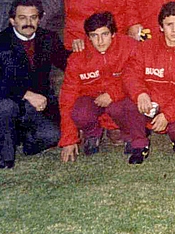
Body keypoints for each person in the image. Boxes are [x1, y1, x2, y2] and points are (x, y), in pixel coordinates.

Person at [0, 0, 69, 168]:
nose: (28, 22)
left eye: (33, 17)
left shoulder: (48, 39)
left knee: (54, 136)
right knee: (5, 108)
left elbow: (67, 63)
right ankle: (6, 153)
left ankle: (22, 138)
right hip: (7, 102)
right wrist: (26, 94)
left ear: (39, 19)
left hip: (38, 106)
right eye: (22, 18)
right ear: (12, 20)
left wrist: (87, 52)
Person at [112, 1, 175, 163]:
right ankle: (139, 143)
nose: (174, 30)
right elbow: (130, 74)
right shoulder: (145, 48)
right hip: (149, 102)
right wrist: (140, 94)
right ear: (161, 27)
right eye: (169, 24)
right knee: (117, 108)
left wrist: (167, 115)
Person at [58, 11, 137, 161]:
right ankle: (92, 133)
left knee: (121, 107)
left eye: (105, 34)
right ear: (88, 37)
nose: (100, 41)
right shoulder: (77, 58)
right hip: (93, 99)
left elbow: (138, 80)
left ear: (113, 34)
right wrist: (69, 139)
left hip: (121, 98)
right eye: (94, 35)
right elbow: (67, 97)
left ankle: (130, 134)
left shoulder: (129, 47)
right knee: (80, 112)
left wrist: (113, 94)